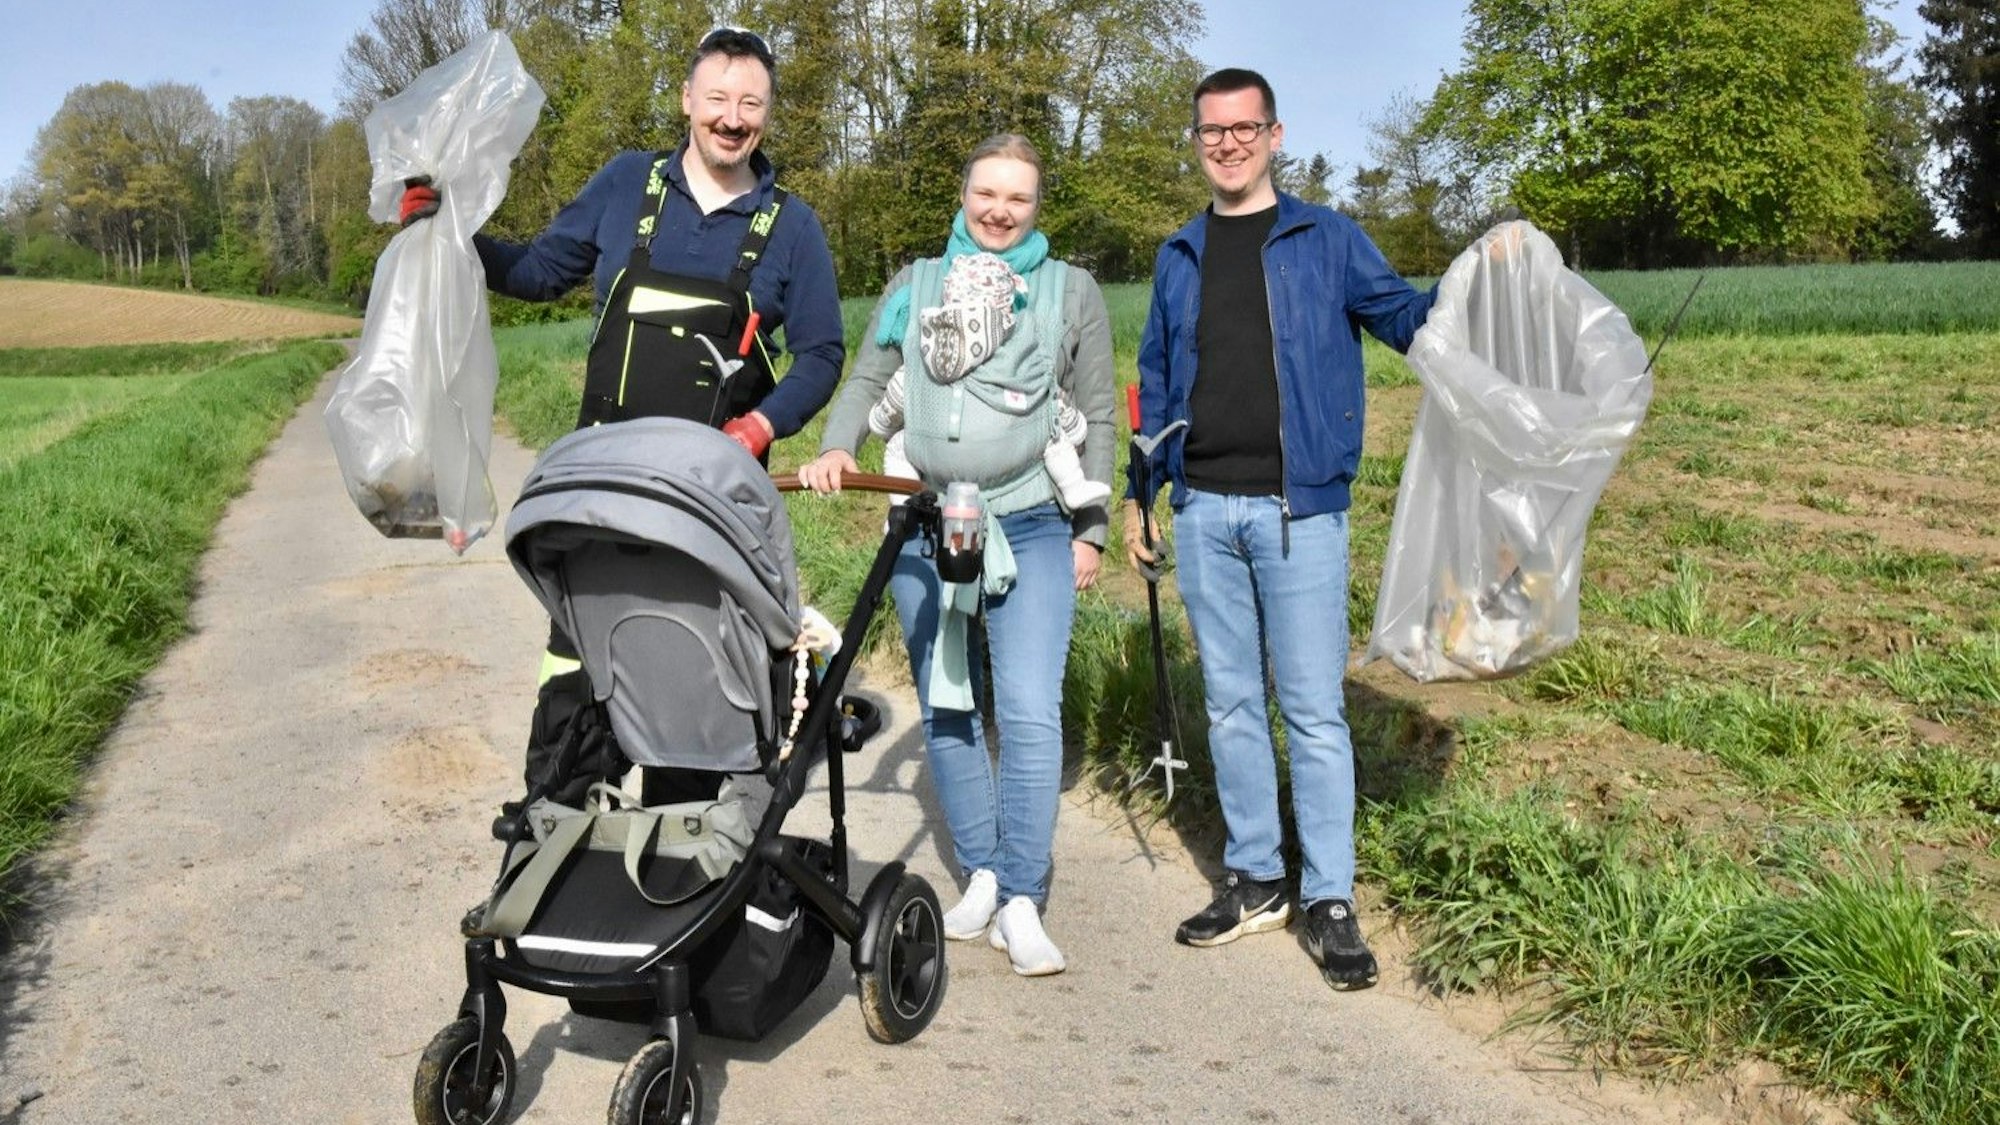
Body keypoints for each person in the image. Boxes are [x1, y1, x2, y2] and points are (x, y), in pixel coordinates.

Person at [401, 27, 844, 815]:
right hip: (599, 506)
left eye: (750, 104)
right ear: (687, 100)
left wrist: (758, 429)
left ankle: (677, 903)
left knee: (692, 730)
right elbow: (538, 271)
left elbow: (821, 354)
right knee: (575, 714)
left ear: (768, 115)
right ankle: (555, 872)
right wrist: (452, 235)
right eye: (717, 100)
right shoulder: (623, 184)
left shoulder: (794, 228)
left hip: (707, 516)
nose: (732, 119)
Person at [1123, 68, 1436, 992]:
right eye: (1212, 130)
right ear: (1197, 140)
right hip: (1203, 511)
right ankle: (1257, 876)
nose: (1228, 142)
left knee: (1311, 709)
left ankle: (1329, 896)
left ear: (1274, 133)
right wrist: (1141, 495)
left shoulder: (1326, 238)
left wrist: (1479, 288)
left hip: (1302, 511)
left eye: (1244, 127)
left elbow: (1406, 320)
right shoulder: (1178, 253)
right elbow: (1155, 378)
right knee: (1229, 704)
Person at [798, 134, 1116, 977]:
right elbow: (868, 382)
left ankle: (1021, 893)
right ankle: (978, 871)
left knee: (1028, 705)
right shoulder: (917, 283)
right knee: (947, 700)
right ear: (965, 192)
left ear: (1036, 205)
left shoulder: (1070, 290)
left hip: (1032, 518)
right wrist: (835, 446)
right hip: (926, 518)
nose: (1000, 210)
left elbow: (1099, 414)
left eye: (1018, 197)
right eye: (987, 193)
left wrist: (1093, 525)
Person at [867, 250, 1110, 514]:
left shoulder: (925, 341)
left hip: (937, 464)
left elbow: (901, 390)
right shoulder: (1018, 344)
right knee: (1053, 436)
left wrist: (882, 422)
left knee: (898, 447)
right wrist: (1075, 429)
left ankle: (903, 509)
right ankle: (1073, 486)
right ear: (1006, 300)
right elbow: (1045, 393)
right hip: (1016, 467)